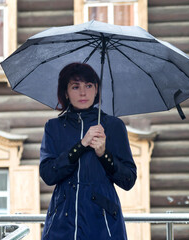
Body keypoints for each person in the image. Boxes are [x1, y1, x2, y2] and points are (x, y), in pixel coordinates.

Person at [39, 62, 137, 240]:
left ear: (97, 89)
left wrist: (104, 155)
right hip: (62, 225)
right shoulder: (53, 127)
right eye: (75, 87)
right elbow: (48, 175)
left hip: (103, 226)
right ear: (66, 93)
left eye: (89, 86)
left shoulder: (113, 126)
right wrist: (81, 145)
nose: (83, 93)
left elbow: (128, 180)